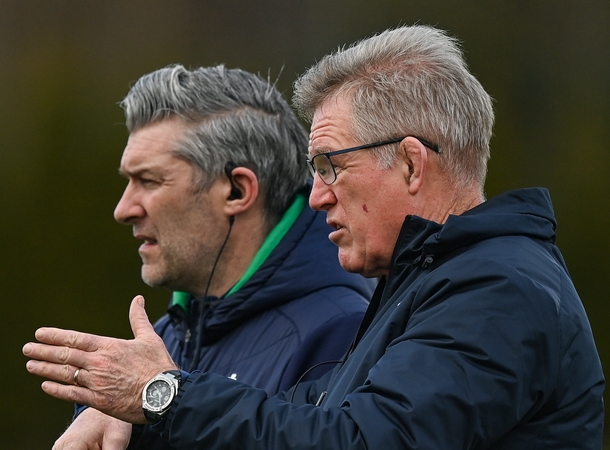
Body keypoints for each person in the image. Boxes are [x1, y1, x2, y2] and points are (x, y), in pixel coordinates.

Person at [24, 25, 606, 449]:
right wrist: (139, 417)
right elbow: (302, 412)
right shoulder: (431, 281)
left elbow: (358, 441)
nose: (317, 193)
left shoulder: (497, 288)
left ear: (409, 164)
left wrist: (163, 396)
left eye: (331, 166)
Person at [44, 64, 372, 449]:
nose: (123, 209)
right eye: (127, 182)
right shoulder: (167, 335)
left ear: (236, 191)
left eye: (149, 181)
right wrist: (106, 409)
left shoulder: (338, 332)